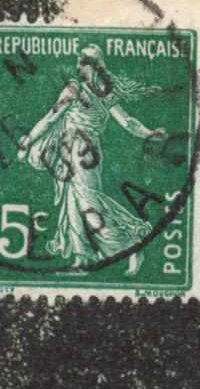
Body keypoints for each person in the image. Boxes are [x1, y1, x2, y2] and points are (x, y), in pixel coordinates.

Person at [15, 46, 164, 275]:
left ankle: (133, 242)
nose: (79, 65)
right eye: (79, 60)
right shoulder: (76, 90)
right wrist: (28, 141)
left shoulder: (102, 93)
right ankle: (81, 259)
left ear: (94, 66)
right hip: (71, 149)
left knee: (88, 203)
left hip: (85, 152)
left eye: (83, 60)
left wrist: (149, 134)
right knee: (73, 203)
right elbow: (50, 118)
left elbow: (128, 122)